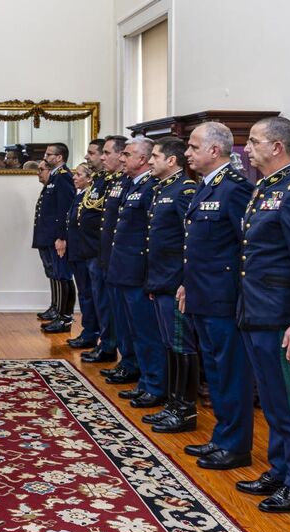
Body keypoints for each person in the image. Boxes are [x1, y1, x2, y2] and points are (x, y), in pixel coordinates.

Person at [237, 116, 290, 513]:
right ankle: (281, 470)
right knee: (270, 399)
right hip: (256, 311)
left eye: (254, 141)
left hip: (280, 317)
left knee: (289, 404)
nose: (247, 148)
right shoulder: (265, 189)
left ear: (277, 147)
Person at [179, 121, 255, 470]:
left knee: (231, 374)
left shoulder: (235, 189)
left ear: (214, 150)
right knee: (215, 372)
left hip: (224, 299)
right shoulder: (207, 186)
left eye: (193, 147)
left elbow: (246, 248)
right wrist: (187, 283)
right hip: (202, 295)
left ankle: (236, 446)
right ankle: (222, 437)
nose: (187, 153)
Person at [141, 137, 200, 433]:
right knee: (170, 345)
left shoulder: (185, 190)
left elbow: (191, 239)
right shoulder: (162, 188)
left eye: (155, 156)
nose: (150, 161)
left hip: (175, 282)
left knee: (181, 345)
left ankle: (185, 410)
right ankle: (173, 404)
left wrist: (184, 281)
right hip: (161, 280)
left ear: (171, 160)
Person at [107, 137, 165, 408]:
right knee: (133, 331)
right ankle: (144, 380)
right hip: (123, 269)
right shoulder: (131, 184)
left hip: (138, 272)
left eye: (127, 154)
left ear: (142, 159)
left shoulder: (151, 187)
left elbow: (151, 235)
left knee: (147, 333)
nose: (122, 158)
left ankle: (155, 384)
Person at [93, 136, 139, 376]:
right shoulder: (116, 182)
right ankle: (125, 360)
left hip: (126, 263)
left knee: (131, 321)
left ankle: (132, 365)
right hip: (110, 258)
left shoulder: (136, 184)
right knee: (116, 314)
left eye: (107, 152)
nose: (103, 157)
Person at [74, 140, 113, 354]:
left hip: (99, 250)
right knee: (92, 297)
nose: (87, 157)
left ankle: (106, 345)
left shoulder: (109, 182)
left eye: (92, 153)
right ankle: (96, 337)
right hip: (87, 249)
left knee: (103, 302)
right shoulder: (99, 181)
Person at [33, 143, 74, 332]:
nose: (45, 157)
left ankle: (63, 316)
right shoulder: (55, 177)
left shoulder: (63, 177)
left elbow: (64, 210)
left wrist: (61, 236)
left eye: (49, 154)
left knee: (62, 275)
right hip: (48, 236)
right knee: (54, 274)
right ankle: (56, 309)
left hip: (56, 237)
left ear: (59, 157)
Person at [63, 162, 99, 348]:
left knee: (88, 295)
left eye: (79, 174)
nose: (74, 177)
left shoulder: (90, 197)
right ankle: (88, 331)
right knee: (84, 294)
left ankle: (91, 333)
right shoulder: (79, 195)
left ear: (89, 178)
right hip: (76, 252)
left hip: (85, 252)